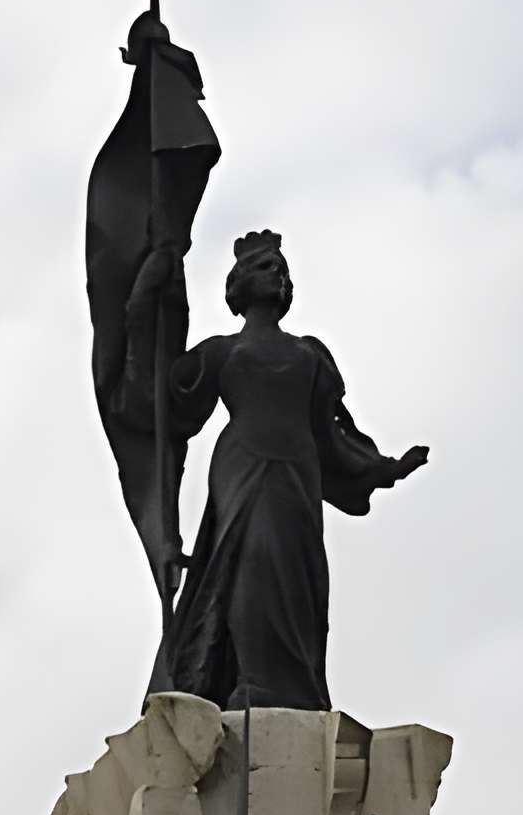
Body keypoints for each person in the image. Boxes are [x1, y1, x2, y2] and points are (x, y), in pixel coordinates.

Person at [127, 231, 429, 710]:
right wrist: (147, 301)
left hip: (299, 476)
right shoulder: (222, 352)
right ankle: (252, 681)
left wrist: (383, 468)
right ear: (240, 285)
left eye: (283, 269)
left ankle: (298, 689)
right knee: (253, 566)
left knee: (299, 577)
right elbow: (160, 401)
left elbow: (332, 435)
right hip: (245, 470)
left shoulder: (310, 354)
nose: (280, 276)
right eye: (267, 267)